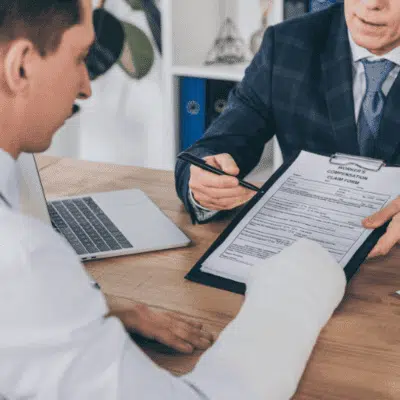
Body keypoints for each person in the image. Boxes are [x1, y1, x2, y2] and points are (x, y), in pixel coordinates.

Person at [0, 1, 346, 399]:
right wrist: (299, 280)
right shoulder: (20, 257)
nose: (86, 86)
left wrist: (95, 307)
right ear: (21, 66)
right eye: (80, 57)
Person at [175, 0, 400, 259]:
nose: (372, 4)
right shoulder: (287, 44)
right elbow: (220, 141)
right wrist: (205, 182)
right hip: (304, 252)